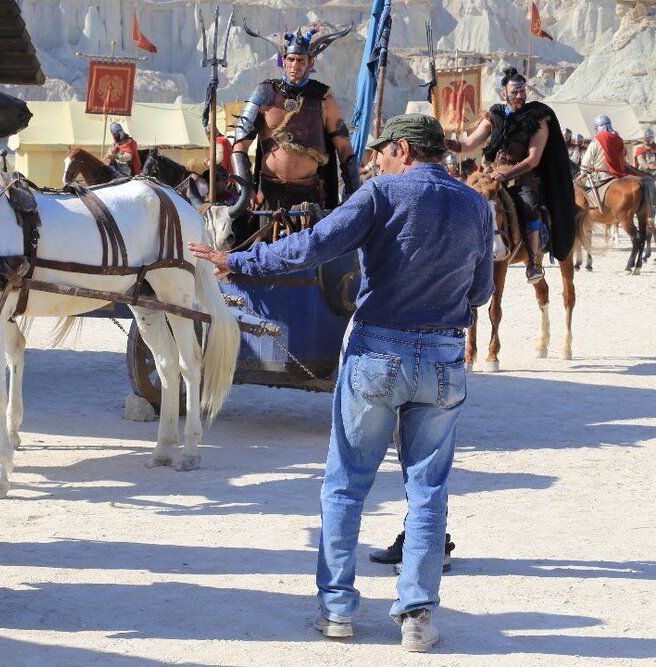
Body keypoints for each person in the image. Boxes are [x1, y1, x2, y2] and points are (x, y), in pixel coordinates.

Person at [189, 114, 494, 652]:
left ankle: (337, 611)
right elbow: (480, 293)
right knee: (428, 490)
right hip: (445, 357)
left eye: (381, 152)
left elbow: (312, 246)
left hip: (379, 352)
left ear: (402, 149)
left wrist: (237, 261)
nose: (374, 160)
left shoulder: (380, 194)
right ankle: (417, 616)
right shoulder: (476, 204)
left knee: (347, 483)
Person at [445, 67, 577, 285]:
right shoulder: (494, 116)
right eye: (515, 91)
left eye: (522, 91)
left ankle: (534, 263)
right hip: (490, 173)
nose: (519, 95)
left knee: (529, 205)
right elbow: (468, 144)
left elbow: (533, 160)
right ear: (503, 93)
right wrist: (449, 143)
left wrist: (506, 175)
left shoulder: (537, 118)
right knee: (466, 202)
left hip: (521, 176)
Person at [231, 23, 360, 232]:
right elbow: (239, 147)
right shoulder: (264, 93)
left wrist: (353, 193)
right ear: (283, 61)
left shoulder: (323, 98)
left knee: (309, 260)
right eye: (290, 59)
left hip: (308, 198)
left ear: (311, 63)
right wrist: (245, 192)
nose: (295, 65)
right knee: (260, 256)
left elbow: (345, 150)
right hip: (269, 196)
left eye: (301, 60)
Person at [578, 115, 629, 209]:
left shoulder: (597, 139)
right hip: (618, 174)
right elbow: (625, 154)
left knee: (579, 189)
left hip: (601, 175)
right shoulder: (619, 139)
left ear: (598, 127)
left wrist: (583, 172)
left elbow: (587, 159)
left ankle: (591, 210)